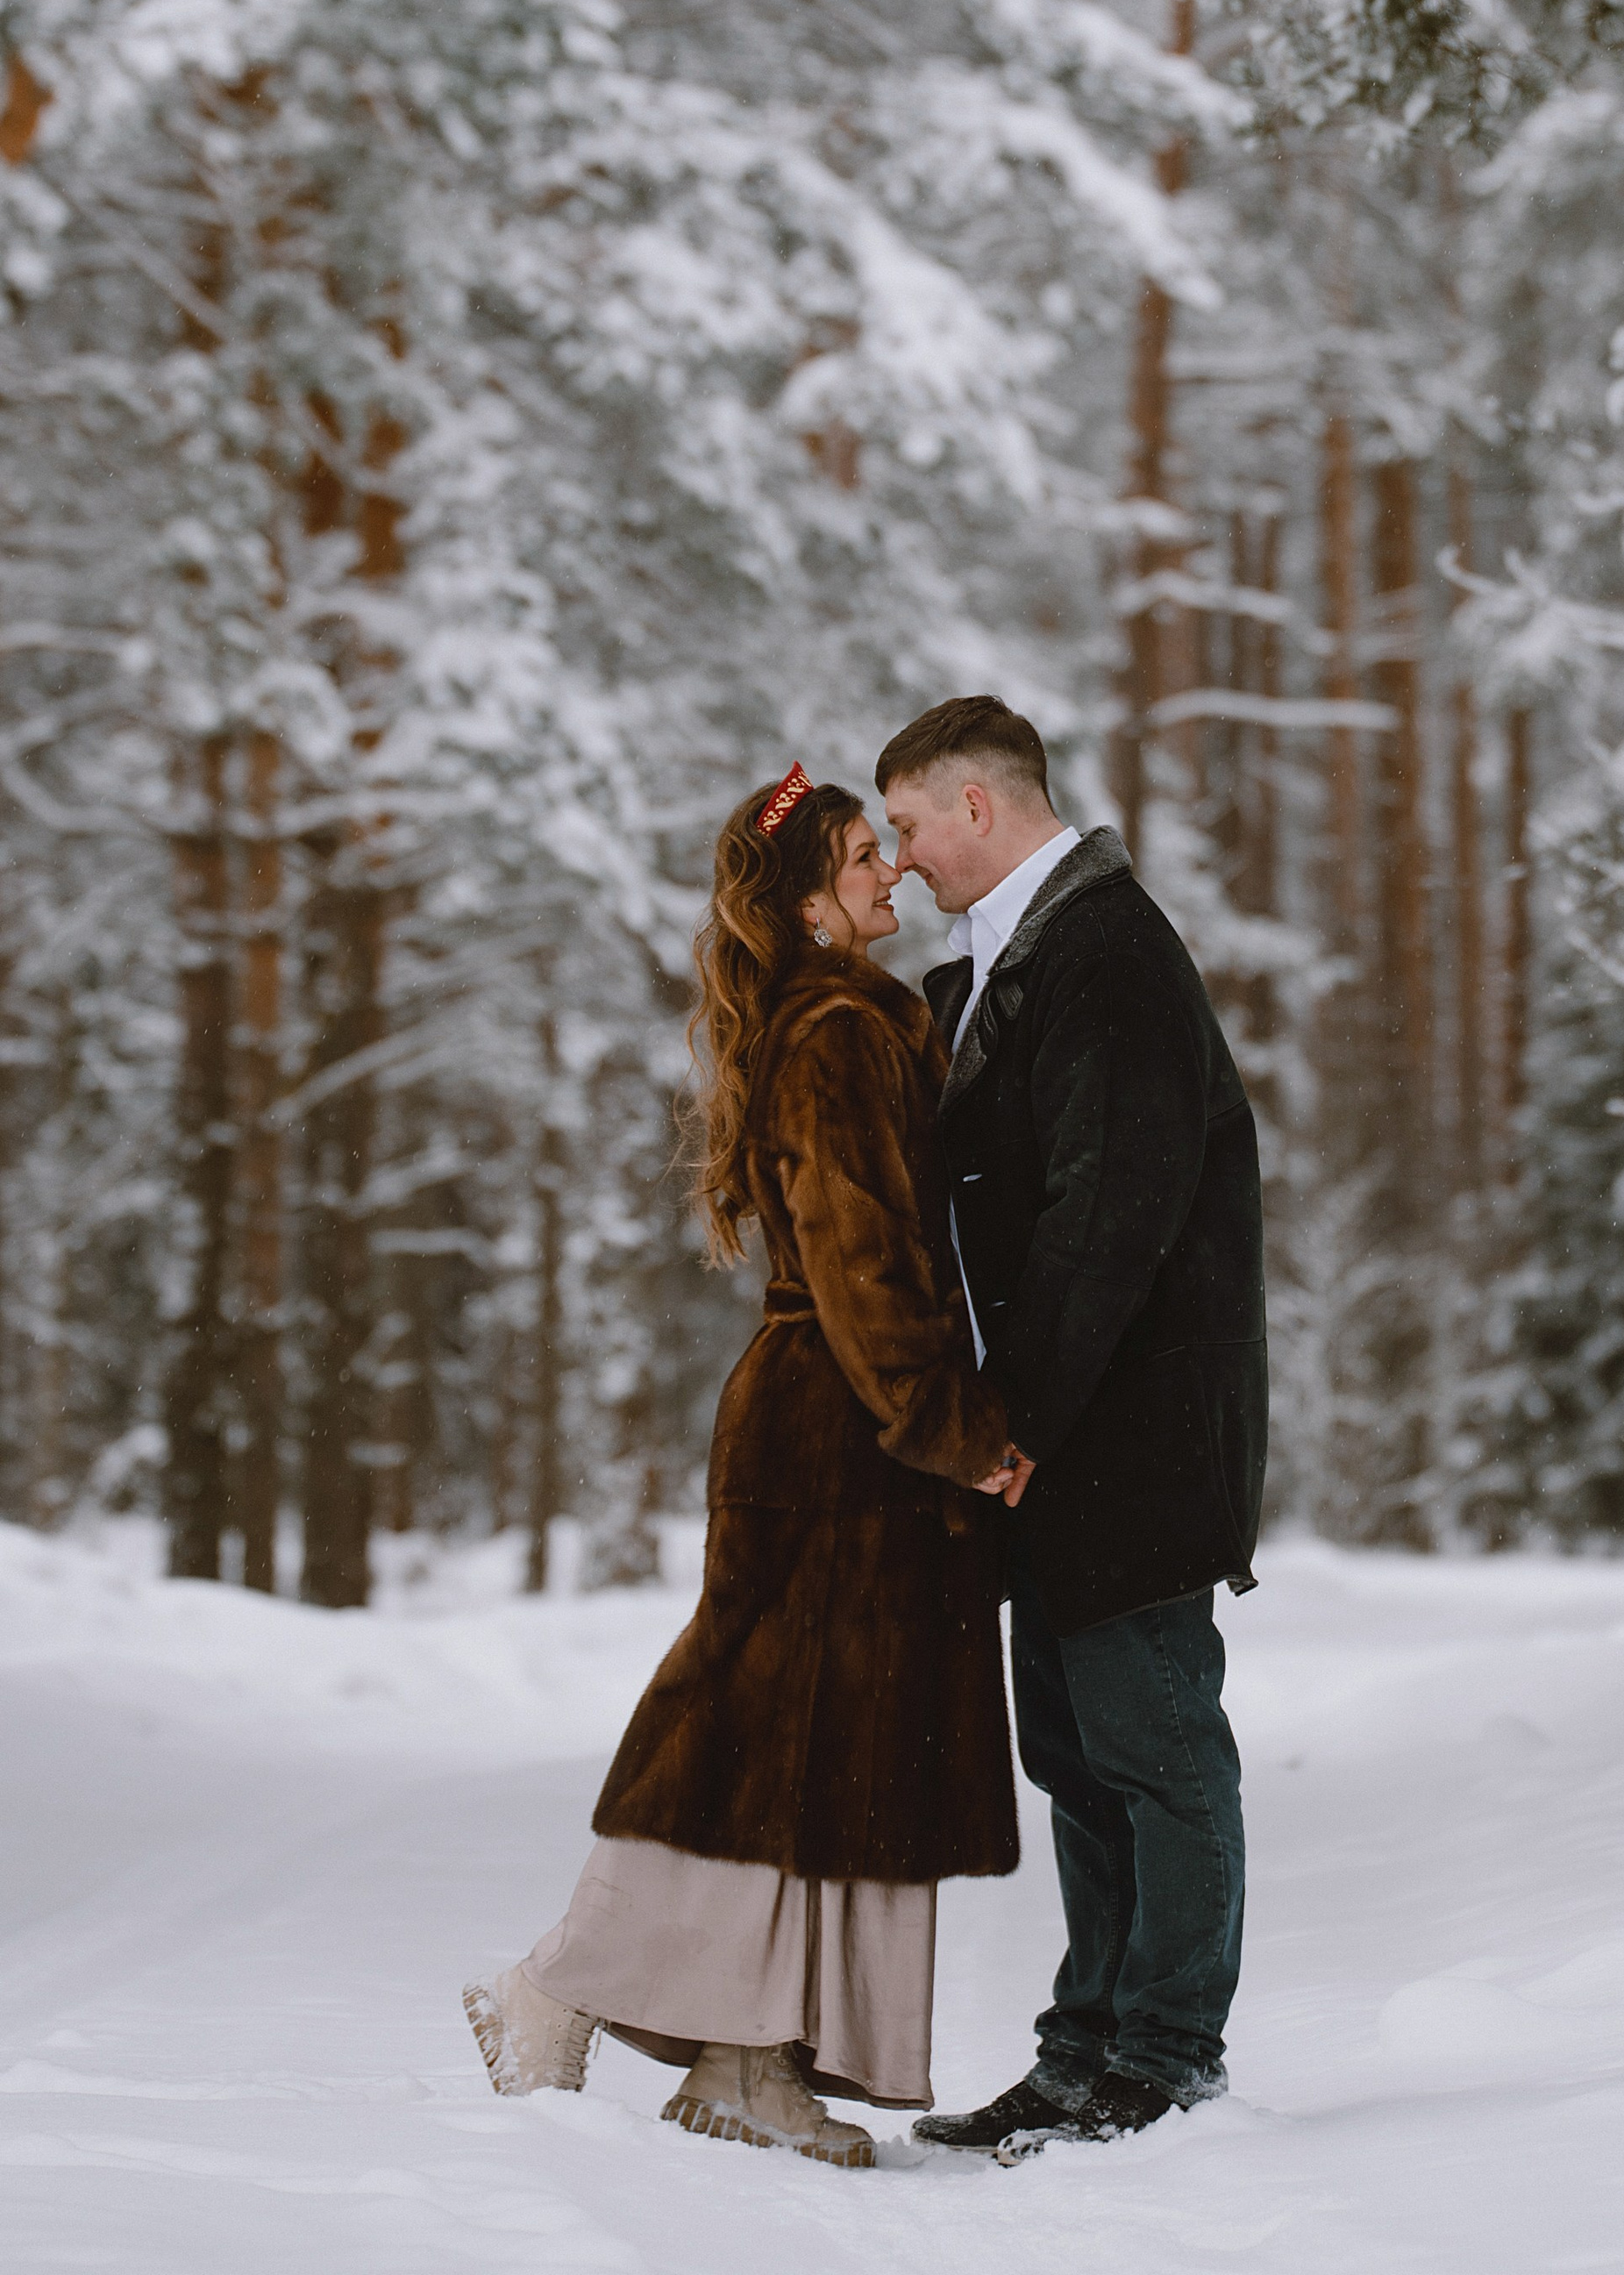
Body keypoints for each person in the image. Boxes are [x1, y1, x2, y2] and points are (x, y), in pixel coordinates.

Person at [463, 766, 1022, 2169]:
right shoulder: (837, 1030)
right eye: (860, 858)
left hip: (843, 1431)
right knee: (748, 1733)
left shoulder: (842, 1020)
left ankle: (747, 2065)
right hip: (835, 1430)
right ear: (812, 902)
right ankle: (559, 1985)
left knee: (813, 1753)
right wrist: (957, 1428)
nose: (890, 873)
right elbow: (860, 1259)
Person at [878, 694, 1267, 2159]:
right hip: (1047, 1440)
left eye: (908, 826)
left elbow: (1110, 1210)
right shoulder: (997, 966)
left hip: (1130, 1439)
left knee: (1158, 1748)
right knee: (1076, 1756)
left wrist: (1018, 1417)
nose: (902, 861)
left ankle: (1168, 2056)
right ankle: (1084, 2045)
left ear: (977, 804)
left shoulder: (1106, 951)